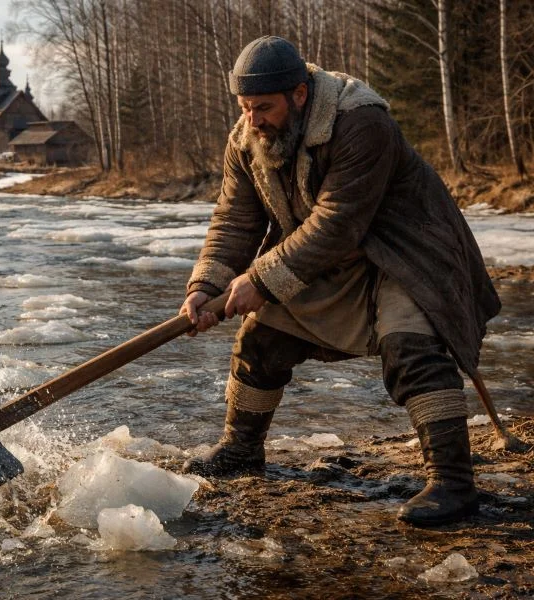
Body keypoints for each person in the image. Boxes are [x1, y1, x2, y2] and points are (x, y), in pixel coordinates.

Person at [180, 35, 501, 527]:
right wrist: (206, 285)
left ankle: (454, 484)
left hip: (408, 253)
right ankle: (242, 450)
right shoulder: (245, 139)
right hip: (330, 258)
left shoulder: (361, 122)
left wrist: (259, 281)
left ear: (300, 94)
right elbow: (235, 220)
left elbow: (338, 222)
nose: (253, 120)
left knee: (410, 348)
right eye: (245, 108)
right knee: (262, 336)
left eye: (263, 107)